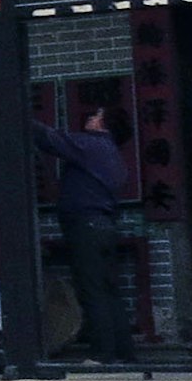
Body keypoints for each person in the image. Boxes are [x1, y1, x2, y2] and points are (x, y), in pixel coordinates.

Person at [33, 103, 139, 360]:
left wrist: (18, 114)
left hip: (86, 227)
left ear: (104, 124)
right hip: (105, 227)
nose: (91, 117)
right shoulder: (113, 155)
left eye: (96, 115)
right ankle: (123, 353)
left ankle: (102, 354)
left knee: (91, 290)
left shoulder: (93, 145)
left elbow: (50, 139)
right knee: (109, 291)